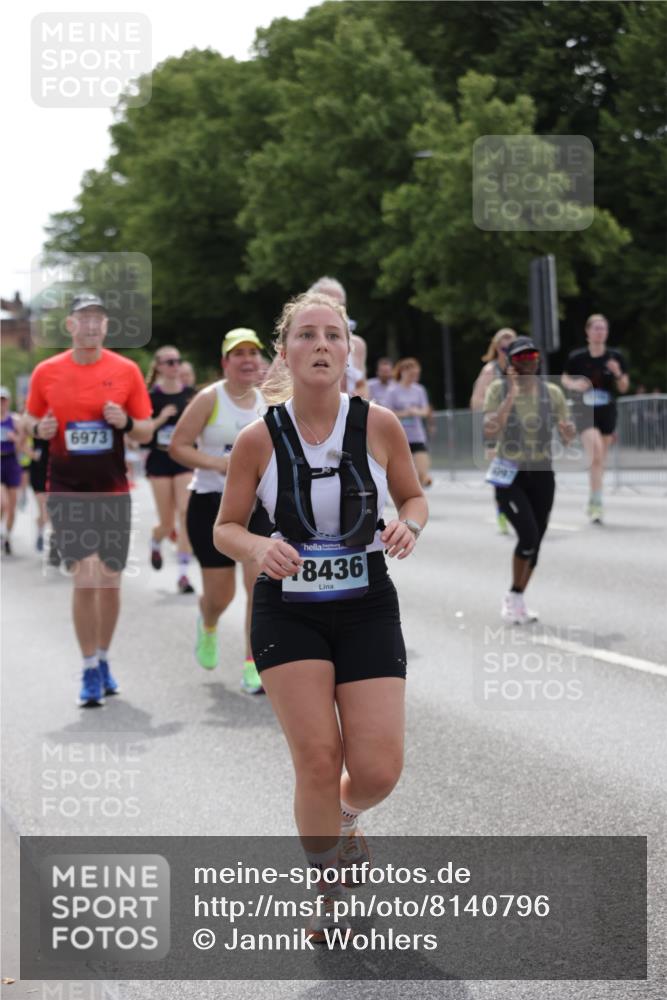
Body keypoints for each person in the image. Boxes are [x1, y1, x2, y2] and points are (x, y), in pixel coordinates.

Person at [213, 291, 427, 938]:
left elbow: (413, 497)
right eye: (306, 335)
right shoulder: (258, 438)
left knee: (377, 769)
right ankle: (328, 887)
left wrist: (408, 527)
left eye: (332, 335)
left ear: (348, 352)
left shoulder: (379, 424)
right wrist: (257, 545)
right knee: (314, 755)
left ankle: (345, 813)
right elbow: (225, 528)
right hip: (289, 609)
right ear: (286, 352)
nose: (321, 345)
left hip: (366, 603)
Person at [22, 293, 153, 706]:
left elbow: (146, 430)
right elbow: (28, 419)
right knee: (86, 576)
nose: (91, 325)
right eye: (84, 318)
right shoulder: (47, 372)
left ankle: (103, 659)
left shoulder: (126, 370)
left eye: (98, 319)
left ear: (106, 327)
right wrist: (39, 428)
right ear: (70, 326)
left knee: (110, 583)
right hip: (66, 487)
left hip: (113, 487)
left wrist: (127, 422)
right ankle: (87, 668)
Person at [169, 329, 272, 693]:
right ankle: (208, 621)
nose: (247, 359)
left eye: (252, 353)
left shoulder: (268, 402)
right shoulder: (208, 399)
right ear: (225, 362)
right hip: (211, 504)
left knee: (259, 587)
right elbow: (177, 446)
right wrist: (218, 464)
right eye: (238, 353)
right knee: (222, 595)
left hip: (256, 508)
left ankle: (253, 663)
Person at [484, 337, 575, 624]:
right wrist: (511, 393)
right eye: (521, 358)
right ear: (511, 363)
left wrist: (567, 430)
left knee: (536, 542)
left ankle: (517, 597)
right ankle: (513, 595)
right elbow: (490, 430)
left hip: (542, 472)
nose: (528, 362)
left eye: (532, 356)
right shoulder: (498, 390)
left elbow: (567, 436)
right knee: (528, 536)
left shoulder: (551, 393)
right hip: (510, 474)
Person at [562, 314, 629, 523]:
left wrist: (617, 373)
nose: (600, 332)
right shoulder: (577, 357)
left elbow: (624, 387)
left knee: (599, 461)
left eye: (603, 328)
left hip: (607, 412)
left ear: (607, 332)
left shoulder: (615, 357)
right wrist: (573, 385)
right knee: (596, 454)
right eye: (596, 328)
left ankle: (593, 498)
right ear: (588, 332)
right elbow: (564, 377)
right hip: (584, 412)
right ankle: (598, 505)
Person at [144, 345, 196, 593]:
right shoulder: (150, 397)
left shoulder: (192, 396)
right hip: (160, 461)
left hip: (184, 461)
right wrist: (162, 418)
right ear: (159, 367)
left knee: (186, 514)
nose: (175, 366)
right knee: (167, 523)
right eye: (169, 362)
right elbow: (142, 433)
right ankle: (156, 541)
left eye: (177, 361)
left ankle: (183, 575)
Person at [470, 328, 518, 534]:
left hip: (518, 427)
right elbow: (476, 401)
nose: (506, 351)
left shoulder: (519, 369)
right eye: (503, 347)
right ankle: (502, 511)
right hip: (495, 427)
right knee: (501, 472)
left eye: (511, 346)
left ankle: (518, 508)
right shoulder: (490, 371)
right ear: (496, 348)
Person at [386, 357, 433, 488]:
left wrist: (416, 412)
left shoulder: (419, 390)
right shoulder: (392, 391)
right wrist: (404, 413)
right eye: (411, 374)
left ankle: (423, 481)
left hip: (417, 436)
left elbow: (425, 410)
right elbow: (386, 412)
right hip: (399, 436)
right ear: (402, 372)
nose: (414, 377)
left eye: (416, 374)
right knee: (404, 474)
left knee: (422, 472)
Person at [0, 386, 26, 554]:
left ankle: (7, 537)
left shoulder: (15, 421)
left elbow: (22, 446)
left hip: (11, 461)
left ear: (8, 402)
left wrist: (15, 438)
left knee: (12, 506)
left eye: (3, 400)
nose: (1, 403)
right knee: (3, 503)